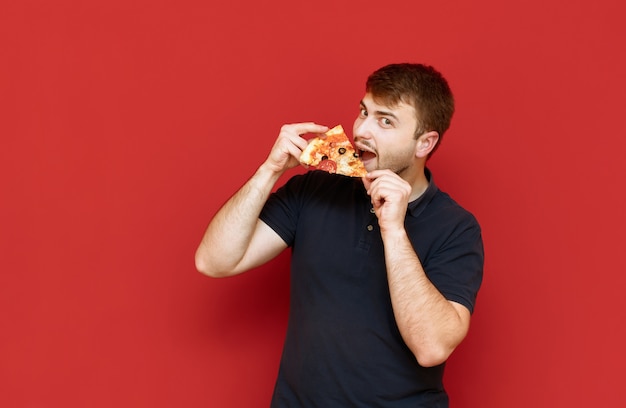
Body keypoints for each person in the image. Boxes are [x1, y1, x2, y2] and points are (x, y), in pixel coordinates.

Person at [195, 63, 484, 407]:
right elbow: (213, 262)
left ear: (425, 143)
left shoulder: (456, 227)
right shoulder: (315, 190)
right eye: (364, 112)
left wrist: (393, 229)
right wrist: (269, 171)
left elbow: (432, 348)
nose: (361, 130)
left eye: (385, 121)